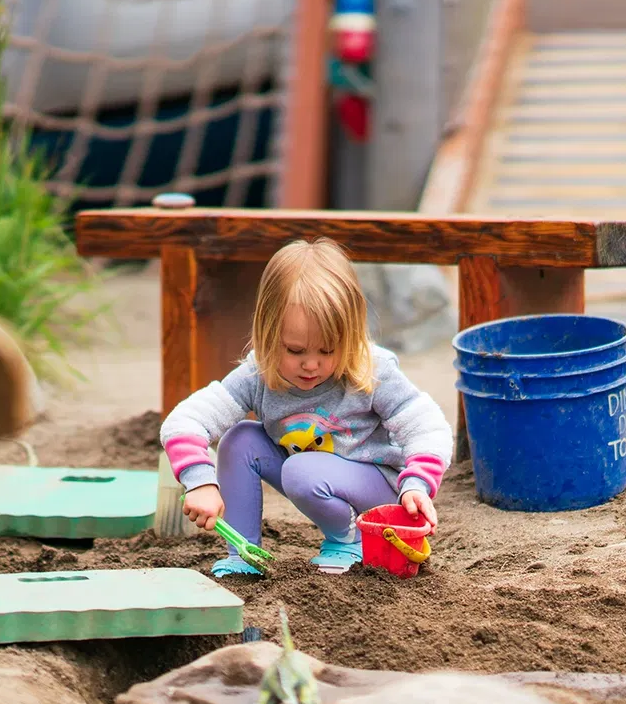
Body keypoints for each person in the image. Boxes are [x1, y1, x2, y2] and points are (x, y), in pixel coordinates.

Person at [159, 238, 453, 577]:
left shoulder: (370, 369)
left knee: (301, 470)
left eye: (328, 351)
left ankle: (350, 541)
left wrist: (417, 483)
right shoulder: (258, 374)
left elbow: (428, 426)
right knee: (240, 439)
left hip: (378, 492)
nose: (310, 365)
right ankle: (243, 553)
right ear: (268, 335)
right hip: (311, 476)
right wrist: (200, 482)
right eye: (295, 351)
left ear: (351, 335)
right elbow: (183, 421)